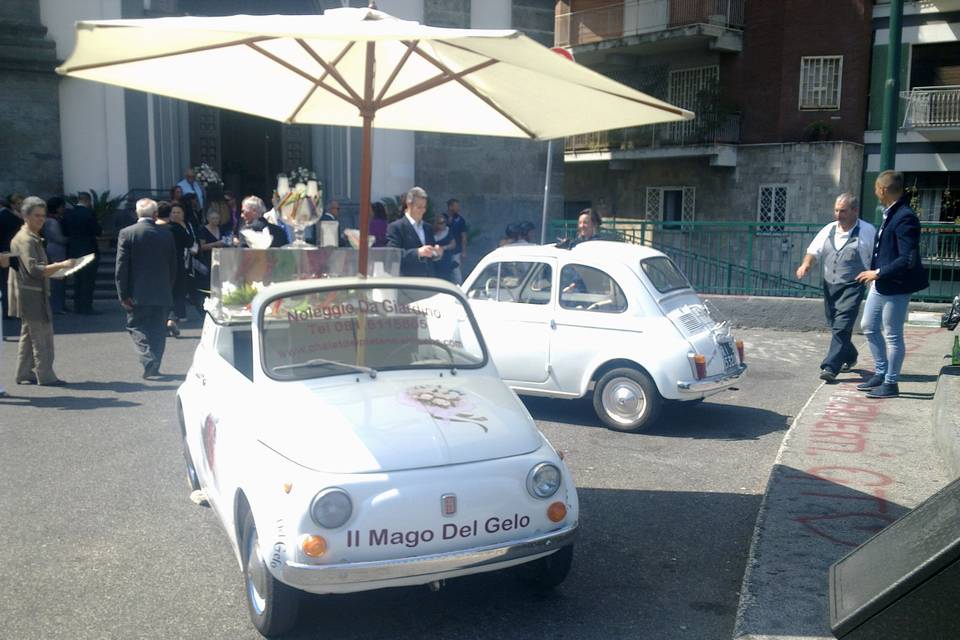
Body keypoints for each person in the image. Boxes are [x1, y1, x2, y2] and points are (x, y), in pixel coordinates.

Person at [854, 171, 930, 399]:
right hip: (882, 283)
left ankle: (891, 383)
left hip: (896, 285)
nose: (875, 192)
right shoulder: (891, 213)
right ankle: (881, 370)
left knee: (893, 334)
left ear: (883, 189)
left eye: (876, 188)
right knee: (868, 325)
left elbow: (906, 258)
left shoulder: (905, 216)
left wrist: (877, 272)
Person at [796, 193, 877, 383]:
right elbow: (813, 250)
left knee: (841, 326)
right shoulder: (829, 229)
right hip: (830, 285)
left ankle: (830, 367)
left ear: (855, 211)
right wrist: (805, 264)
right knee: (835, 325)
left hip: (853, 285)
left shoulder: (867, 231)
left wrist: (874, 279)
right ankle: (849, 355)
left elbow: (875, 257)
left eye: (843, 211)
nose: (838, 215)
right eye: (836, 210)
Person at [7, 197, 75, 386]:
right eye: (37, 216)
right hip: (31, 293)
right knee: (42, 335)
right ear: (25, 216)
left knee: (30, 334)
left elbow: (36, 270)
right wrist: (61, 265)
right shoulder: (26, 240)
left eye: (43, 216)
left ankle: (23, 373)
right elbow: (35, 270)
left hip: (31, 290)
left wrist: (55, 271)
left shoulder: (30, 237)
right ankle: (46, 375)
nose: (41, 219)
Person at [115, 198, 178, 379]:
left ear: (137, 213)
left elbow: (122, 267)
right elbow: (173, 264)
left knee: (137, 326)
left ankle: (147, 357)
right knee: (158, 329)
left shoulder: (127, 233)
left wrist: (123, 294)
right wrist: (169, 285)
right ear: (156, 214)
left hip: (137, 292)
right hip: (162, 290)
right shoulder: (166, 234)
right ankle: (155, 364)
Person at [386, 186, 442, 277]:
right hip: (409, 282)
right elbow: (393, 255)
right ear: (409, 205)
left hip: (429, 281)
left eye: (424, 208)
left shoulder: (427, 228)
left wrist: (436, 253)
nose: (422, 211)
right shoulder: (396, 227)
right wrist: (418, 252)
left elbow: (429, 254)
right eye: (419, 207)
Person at [61, 192, 102, 314]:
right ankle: (86, 306)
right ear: (88, 201)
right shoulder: (89, 213)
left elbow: (64, 231)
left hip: (73, 250)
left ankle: (77, 305)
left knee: (77, 279)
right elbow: (97, 231)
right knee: (88, 280)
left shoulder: (69, 213)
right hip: (89, 249)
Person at [162, 203, 195, 336]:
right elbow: (190, 242)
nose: (175, 214)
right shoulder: (177, 228)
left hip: (170, 263)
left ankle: (169, 318)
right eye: (173, 212)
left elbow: (190, 243)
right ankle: (172, 317)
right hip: (176, 263)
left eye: (178, 212)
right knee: (177, 291)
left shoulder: (162, 227)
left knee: (173, 290)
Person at [0, 193, 25, 323]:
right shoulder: (8, 216)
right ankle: (10, 310)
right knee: (8, 282)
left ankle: (11, 310)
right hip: (11, 252)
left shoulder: (5, 216)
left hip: (10, 253)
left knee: (9, 282)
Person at [43, 197, 70, 314]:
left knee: (60, 279)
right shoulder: (52, 221)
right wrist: (71, 240)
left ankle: (60, 305)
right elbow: (57, 238)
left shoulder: (52, 219)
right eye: (61, 207)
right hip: (56, 251)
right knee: (57, 280)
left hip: (56, 250)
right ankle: (57, 307)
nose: (63, 209)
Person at [197, 207, 225, 293]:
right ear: (208, 219)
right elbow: (202, 247)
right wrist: (215, 244)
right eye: (213, 218)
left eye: (217, 218)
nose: (215, 220)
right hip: (207, 259)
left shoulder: (221, 229)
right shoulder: (203, 230)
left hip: (220, 258)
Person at [446, 198, 468, 283]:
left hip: (456, 251)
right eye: (456, 206)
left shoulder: (460, 220)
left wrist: (464, 251)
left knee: (456, 272)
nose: (458, 208)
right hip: (444, 250)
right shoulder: (443, 218)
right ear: (450, 207)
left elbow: (463, 236)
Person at [432, 213, 457, 283]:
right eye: (440, 223)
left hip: (446, 259)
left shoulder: (448, 231)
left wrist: (443, 248)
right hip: (434, 260)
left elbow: (453, 244)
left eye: (444, 222)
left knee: (446, 278)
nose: (443, 224)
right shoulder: (431, 233)